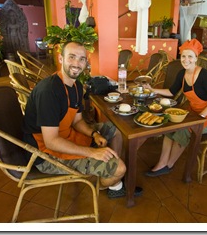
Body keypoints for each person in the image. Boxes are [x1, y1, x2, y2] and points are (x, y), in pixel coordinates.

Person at [23, 41, 143, 198]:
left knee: (117, 130)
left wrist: (94, 134)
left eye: (81, 59)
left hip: (67, 135)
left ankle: (109, 176)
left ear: (86, 62)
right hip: (45, 154)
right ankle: (106, 183)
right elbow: (51, 141)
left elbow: (77, 121)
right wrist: (93, 152)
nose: (76, 63)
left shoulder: (77, 86)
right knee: (120, 169)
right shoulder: (49, 92)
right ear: (61, 58)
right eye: (71, 57)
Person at [143, 39, 207, 177]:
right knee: (171, 125)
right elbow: (171, 92)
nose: (186, 60)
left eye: (190, 56)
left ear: (196, 58)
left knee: (185, 130)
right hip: (194, 112)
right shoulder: (182, 74)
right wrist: (152, 89)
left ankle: (169, 165)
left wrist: (200, 117)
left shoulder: (206, 76)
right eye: (183, 56)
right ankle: (162, 162)